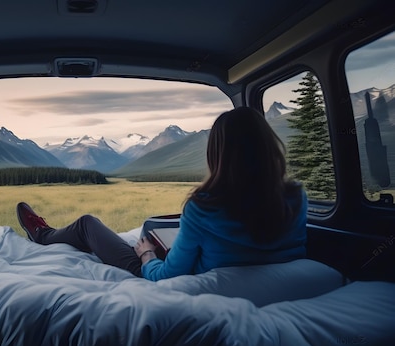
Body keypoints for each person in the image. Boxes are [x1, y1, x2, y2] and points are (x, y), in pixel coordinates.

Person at [16, 107, 307, 281]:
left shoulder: (204, 207)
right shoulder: (296, 197)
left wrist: (146, 256)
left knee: (87, 224)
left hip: (166, 272)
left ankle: (42, 235)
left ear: (218, 154)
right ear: (270, 146)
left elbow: (164, 276)